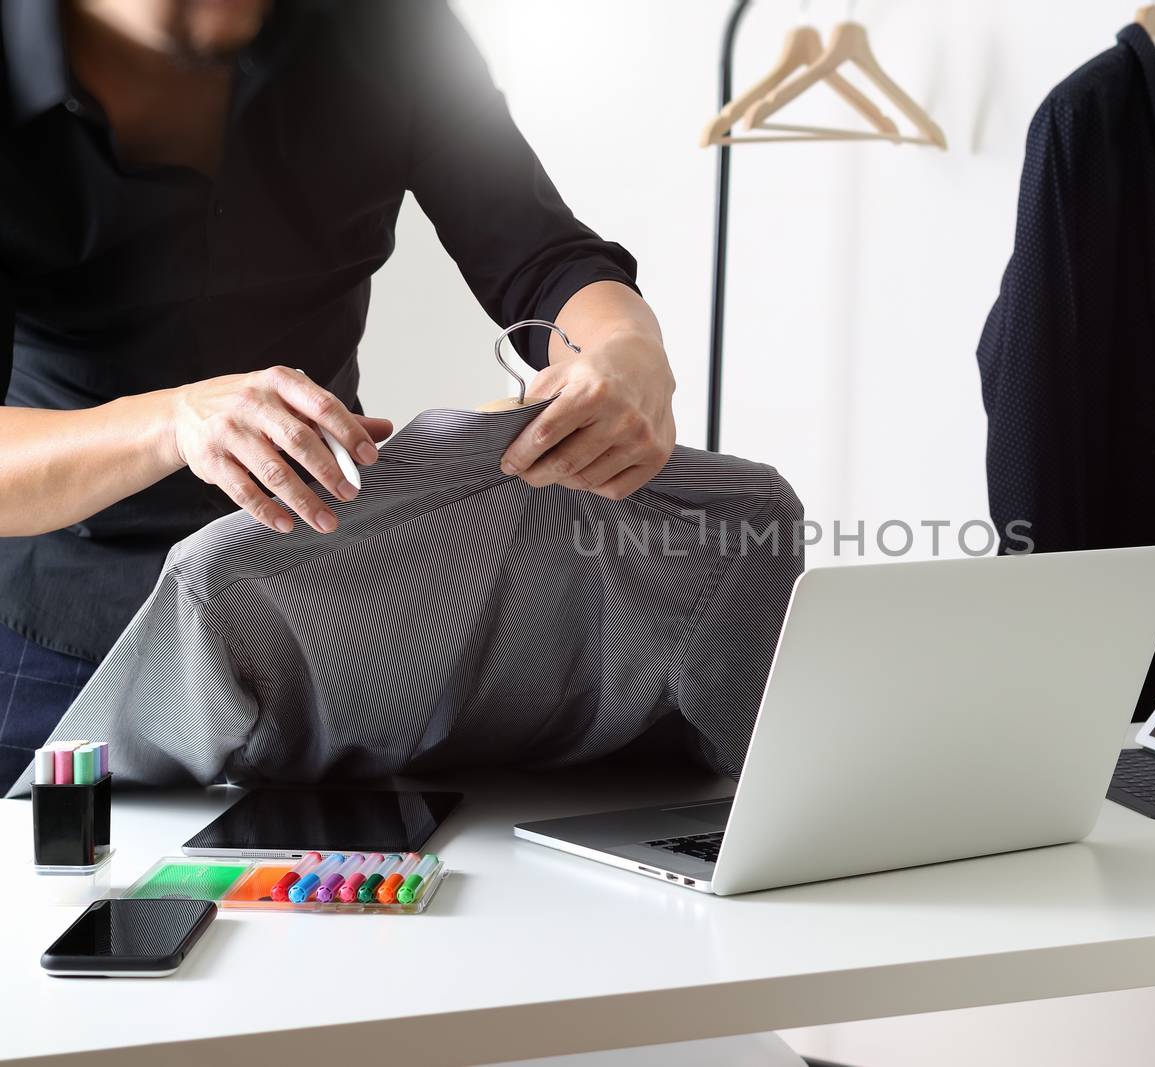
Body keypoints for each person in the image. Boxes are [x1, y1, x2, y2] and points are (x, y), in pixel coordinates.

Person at [0, 0, 676, 783]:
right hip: (61, 652)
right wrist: (175, 424)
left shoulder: (387, 26)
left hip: (316, 616)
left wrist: (628, 348)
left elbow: (543, 257)